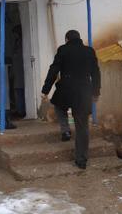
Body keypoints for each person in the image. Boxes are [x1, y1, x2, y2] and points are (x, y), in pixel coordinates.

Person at [41, 30, 101, 169]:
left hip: (66, 89)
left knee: (58, 105)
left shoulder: (63, 50)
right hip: (84, 91)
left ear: (67, 39)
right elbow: (96, 73)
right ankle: (81, 160)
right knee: (82, 126)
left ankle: (65, 129)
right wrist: (96, 92)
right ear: (79, 39)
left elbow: (53, 70)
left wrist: (45, 90)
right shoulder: (89, 51)